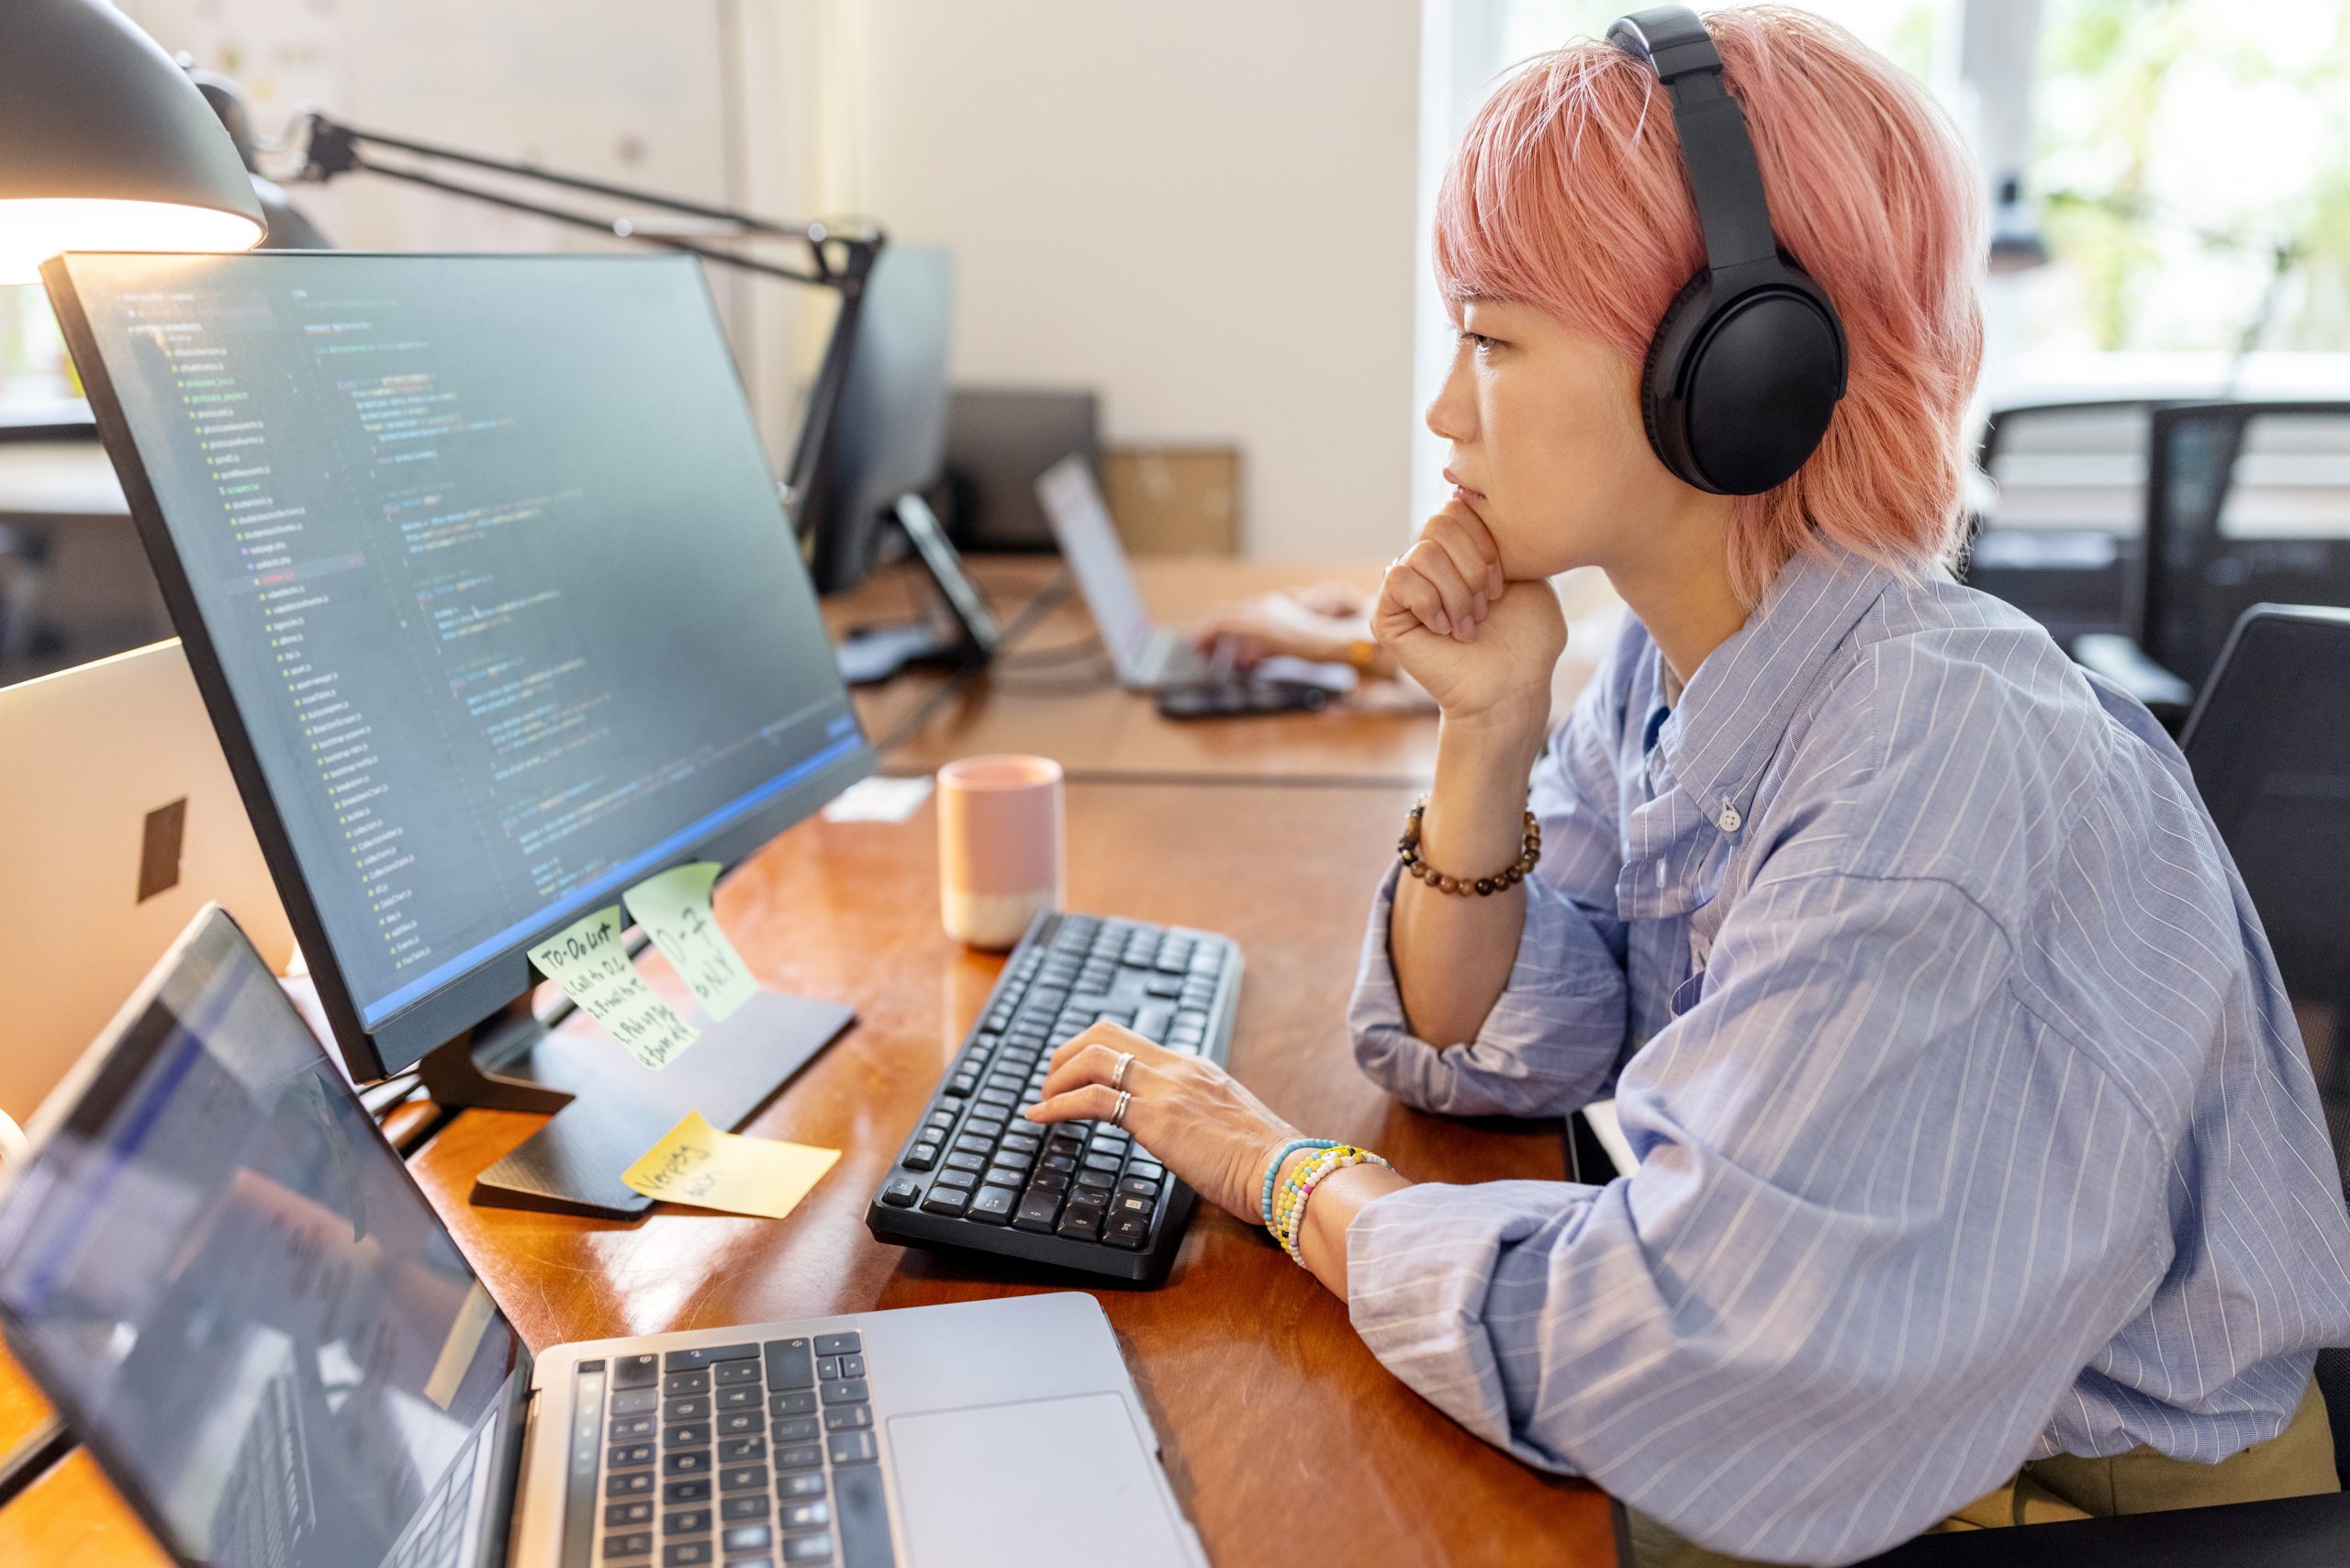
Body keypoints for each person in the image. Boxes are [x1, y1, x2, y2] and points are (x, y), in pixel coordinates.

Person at [1024, 6, 2350, 1565]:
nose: (1447, 413)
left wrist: (1281, 1172)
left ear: (1738, 373)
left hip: (2063, 1503)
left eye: (1496, 340)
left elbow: (1656, 1346)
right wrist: (1491, 726)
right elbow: (1472, 1042)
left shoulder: (1935, 778)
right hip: (1873, 1421)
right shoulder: (1679, 666)